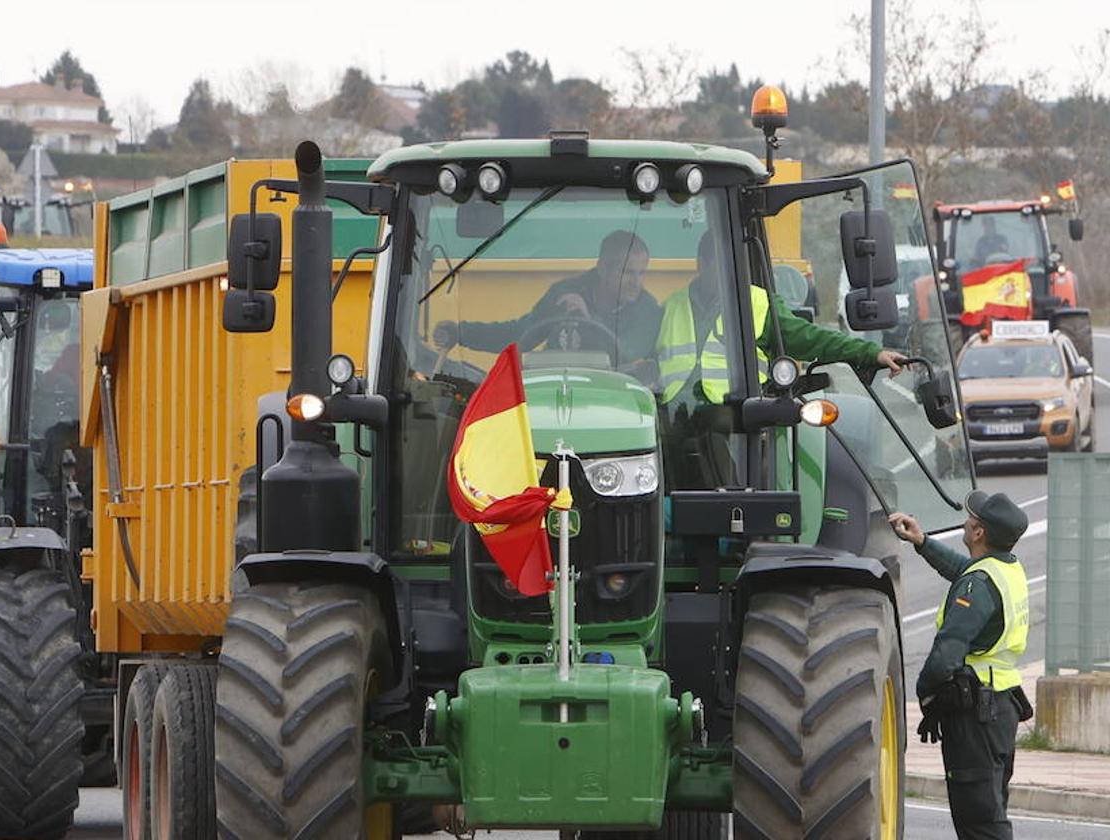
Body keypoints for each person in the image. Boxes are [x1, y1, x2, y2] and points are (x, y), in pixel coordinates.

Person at [655, 229, 907, 488]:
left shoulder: (757, 303)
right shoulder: (672, 305)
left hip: (734, 407)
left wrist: (869, 353)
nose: (718, 272)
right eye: (711, 262)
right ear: (701, 262)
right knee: (650, 436)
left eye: (724, 264)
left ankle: (733, 496)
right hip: (675, 408)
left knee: (716, 427)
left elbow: (809, 337)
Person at [888, 491, 1033, 840]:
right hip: (1001, 706)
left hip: (976, 715)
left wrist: (925, 696)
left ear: (979, 532)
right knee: (990, 806)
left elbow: (947, 653)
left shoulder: (978, 584)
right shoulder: (1004, 568)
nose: (966, 521)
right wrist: (922, 542)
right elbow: (964, 571)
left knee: (980, 820)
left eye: (972, 518)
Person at [432, 229, 661, 371]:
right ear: (602, 267)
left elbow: (624, 357)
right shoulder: (565, 293)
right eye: (628, 272)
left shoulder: (648, 311)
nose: (637, 282)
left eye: (642, 273)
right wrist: (461, 333)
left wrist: (589, 318)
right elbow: (521, 335)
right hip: (551, 395)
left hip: (613, 403)